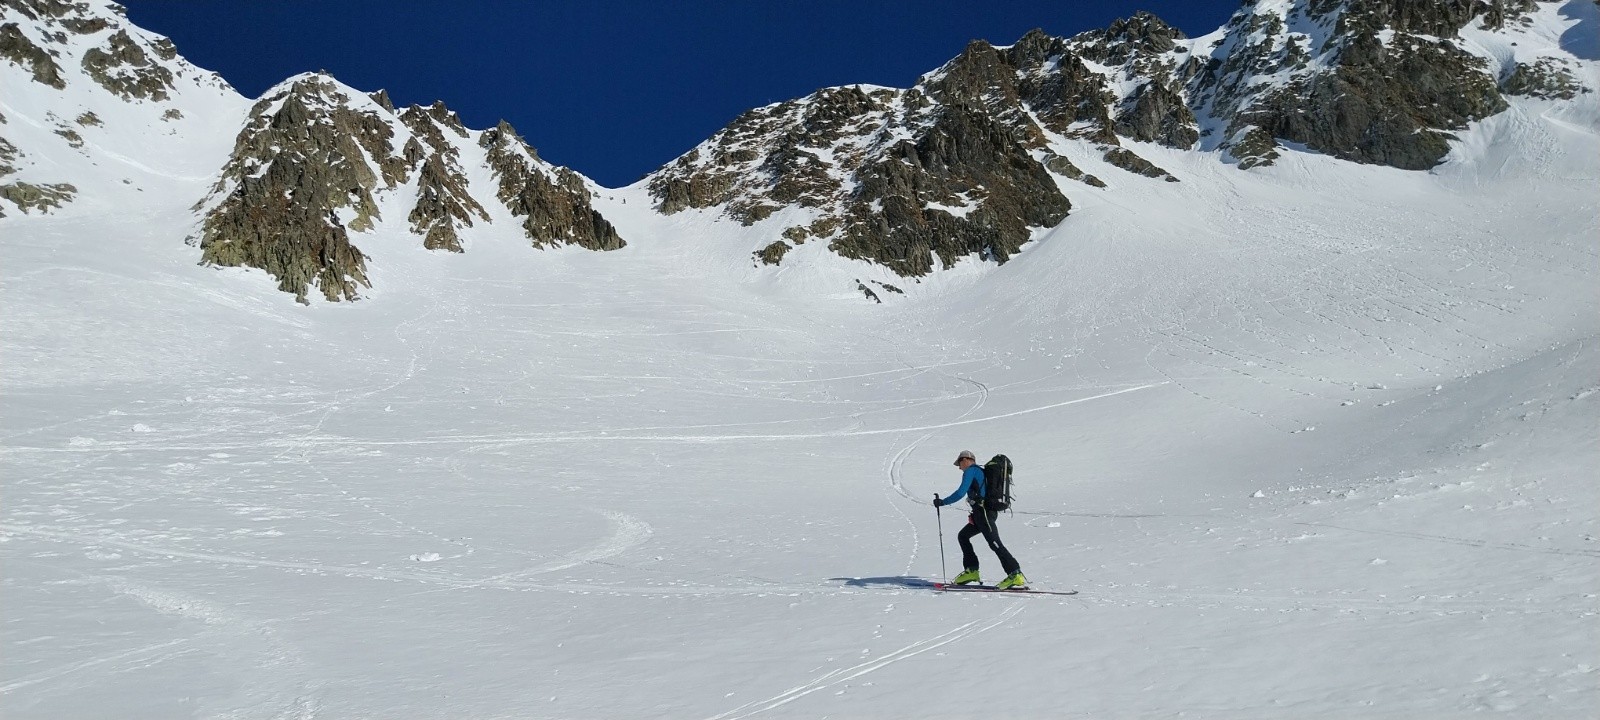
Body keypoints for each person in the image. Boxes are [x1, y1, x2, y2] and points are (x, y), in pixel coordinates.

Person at [935, 450, 1027, 589]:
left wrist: (943, 502)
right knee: (963, 536)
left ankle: (1015, 574)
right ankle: (971, 571)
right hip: (981, 513)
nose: (959, 468)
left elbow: (960, 492)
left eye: (959, 463)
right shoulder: (979, 471)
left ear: (965, 460)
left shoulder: (971, 471)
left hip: (984, 513)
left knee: (995, 543)